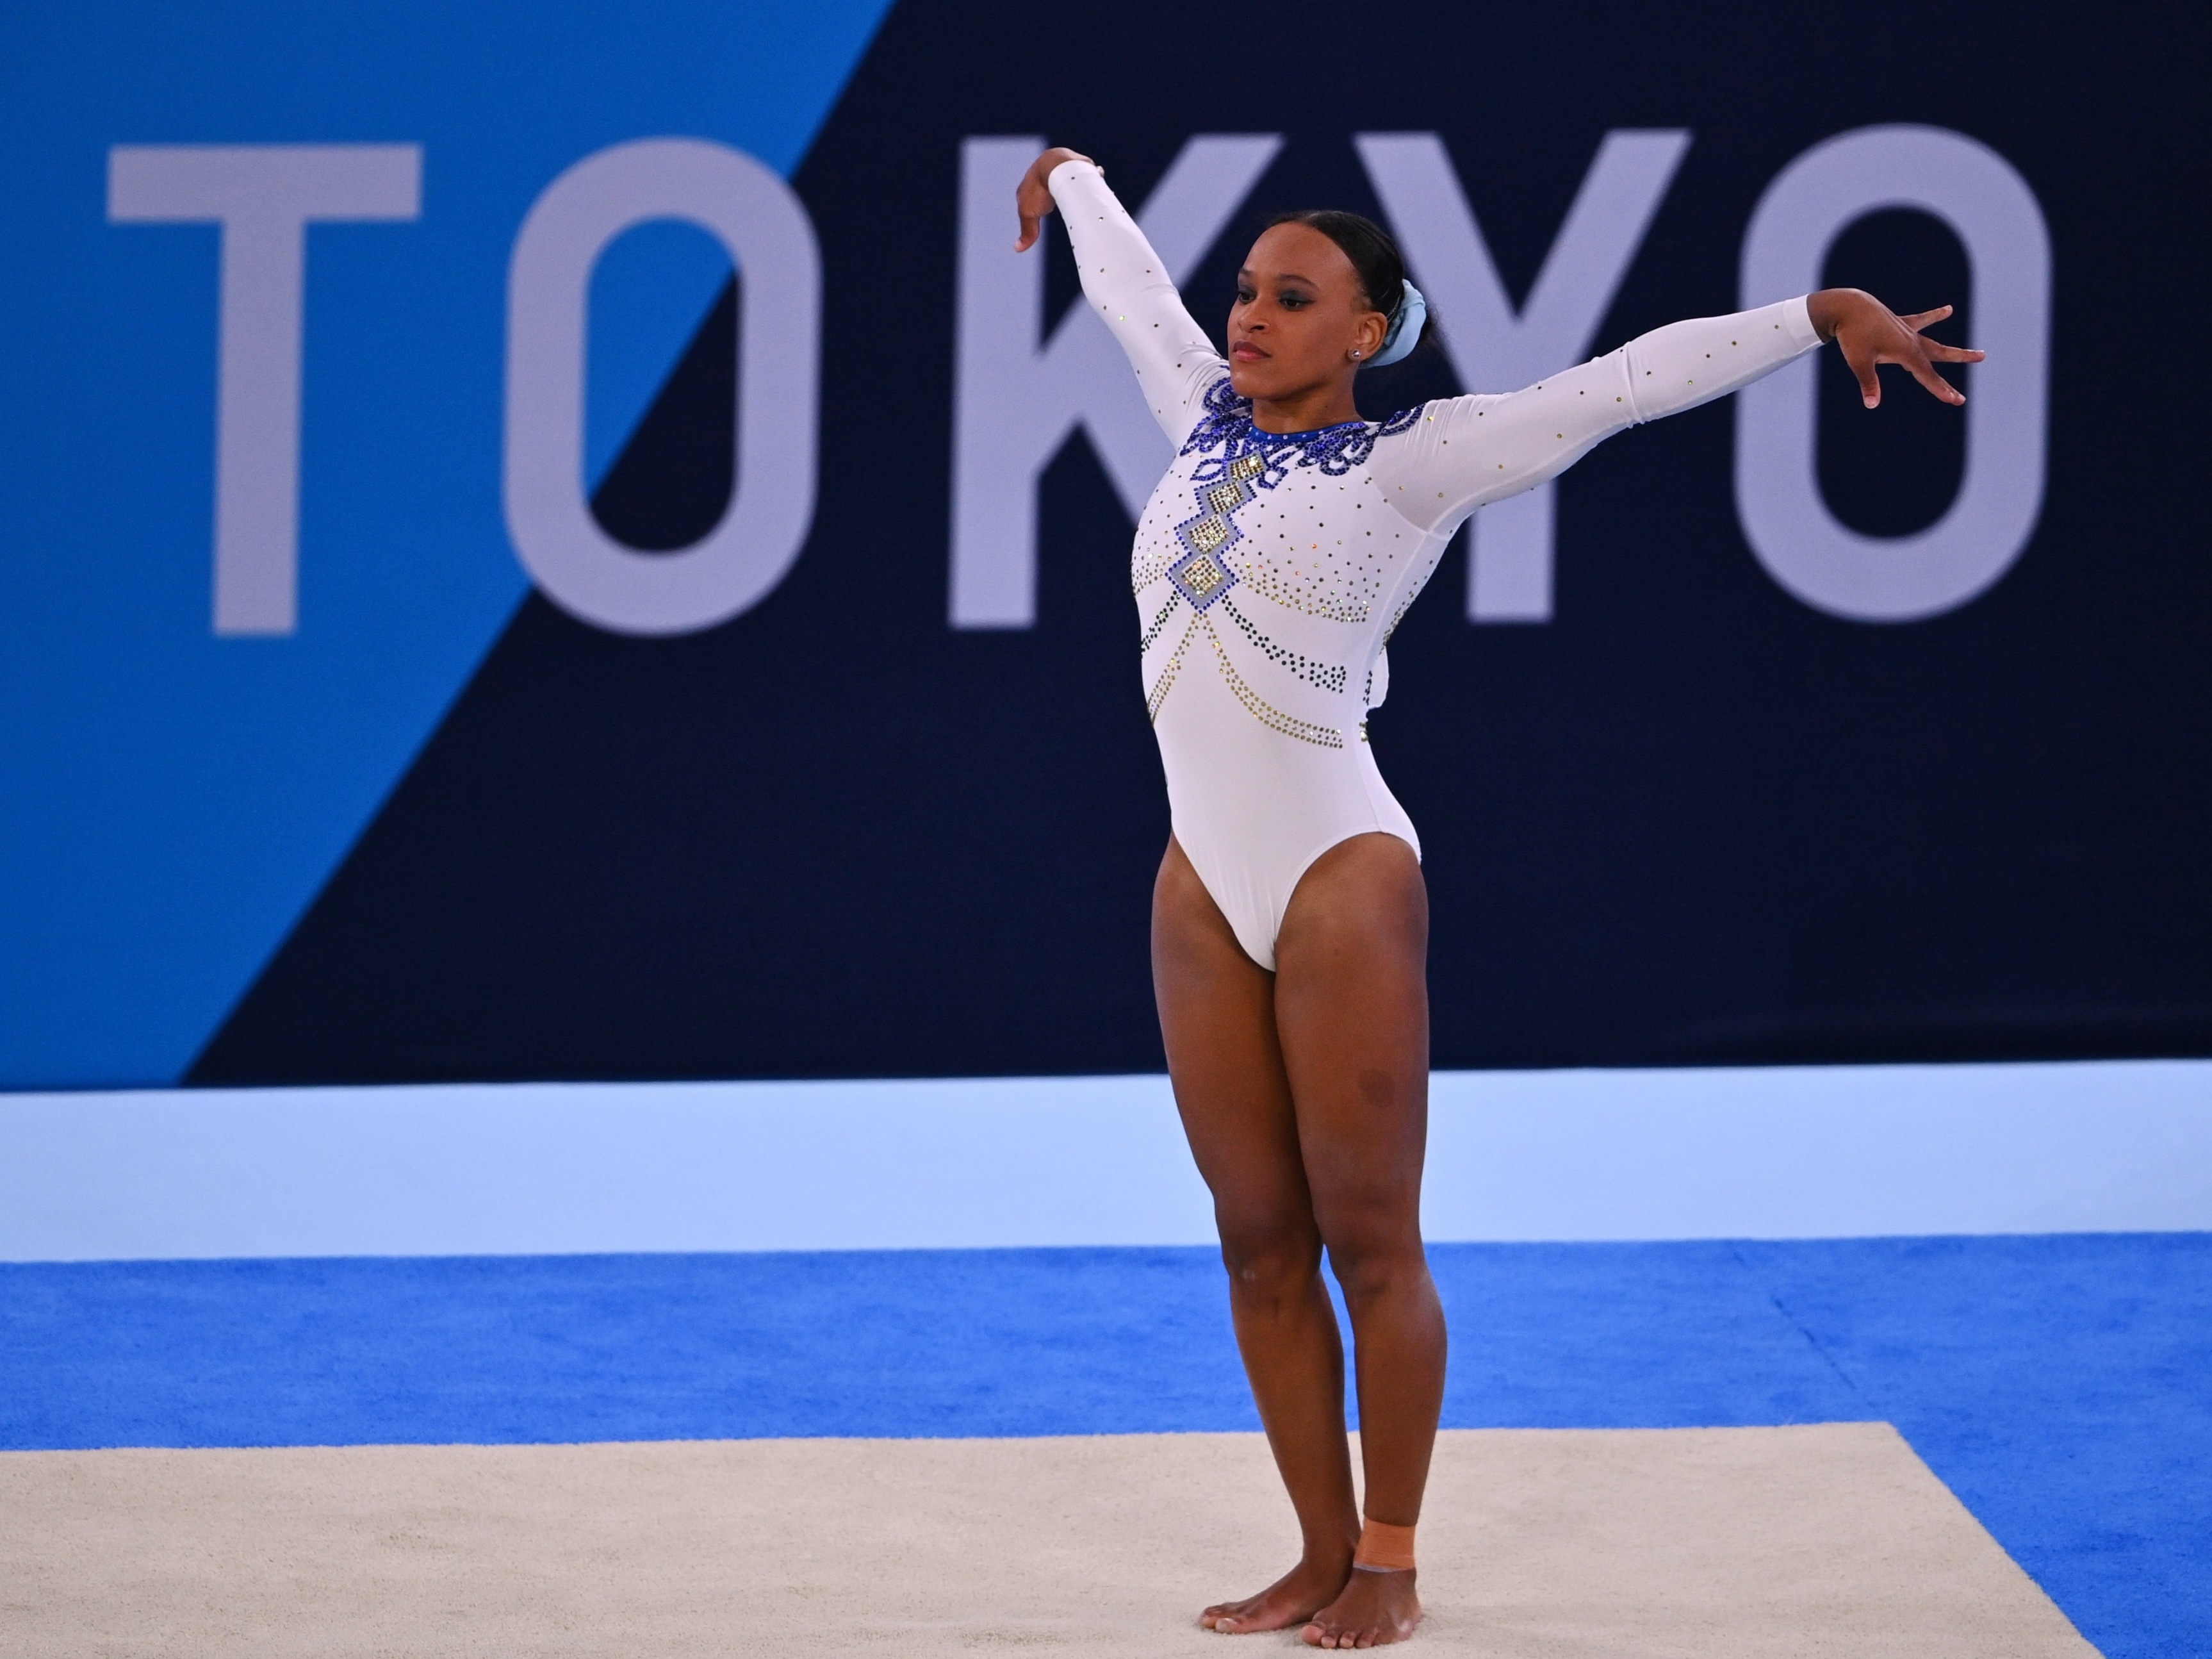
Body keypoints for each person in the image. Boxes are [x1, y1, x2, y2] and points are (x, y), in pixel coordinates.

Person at [1013, 145, 1980, 1649]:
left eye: (1290, 295)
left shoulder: (1416, 461)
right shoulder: (1197, 422)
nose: (1247, 314)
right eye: (1247, 289)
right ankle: (1314, 1547)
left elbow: (1616, 384)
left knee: (1366, 1236)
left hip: (1337, 867)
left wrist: (1817, 309)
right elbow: (1129, 289)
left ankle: (1388, 1558)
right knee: (1255, 1237)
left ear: (1366, 330)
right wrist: (1069, 179)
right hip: (1197, 876)